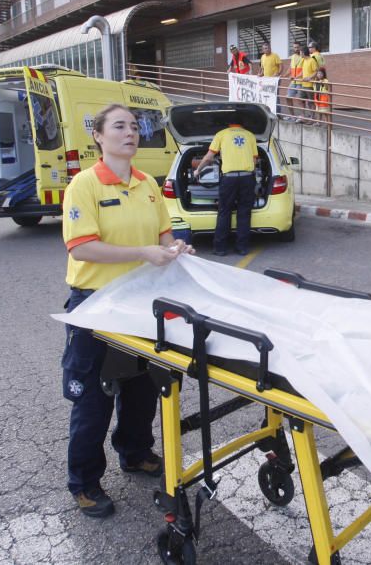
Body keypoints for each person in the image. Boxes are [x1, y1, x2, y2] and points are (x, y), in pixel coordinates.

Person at [61, 103, 193, 518]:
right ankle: (84, 482)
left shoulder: (147, 184)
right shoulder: (84, 185)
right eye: (119, 126)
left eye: (135, 127)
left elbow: (163, 234)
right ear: (98, 136)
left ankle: (134, 452)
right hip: (97, 304)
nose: (130, 133)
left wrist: (174, 250)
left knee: (142, 388)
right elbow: (81, 246)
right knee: (94, 399)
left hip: (141, 302)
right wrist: (142, 252)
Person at [194, 120, 259, 256]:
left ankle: (220, 249)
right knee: (244, 212)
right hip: (247, 178)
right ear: (242, 124)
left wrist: (198, 170)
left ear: (229, 123)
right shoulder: (250, 135)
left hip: (229, 178)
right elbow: (254, 160)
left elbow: (208, 157)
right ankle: (242, 248)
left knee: (224, 212)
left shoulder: (221, 134)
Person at [285, 41, 305, 122]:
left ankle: (303, 116)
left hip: (300, 81)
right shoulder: (293, 56)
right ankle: (292, 116)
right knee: (287, 98)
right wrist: (284, 75)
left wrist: (295, 77)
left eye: (297, 47)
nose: (296, 49)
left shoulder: (303, 56)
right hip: (293, 82)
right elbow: (290, 68)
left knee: (300, 100)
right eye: (294, 47)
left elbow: (304, 70)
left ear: (300, 47)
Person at [298, 45, 319, 123]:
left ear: (303, 53)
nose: (299, 54)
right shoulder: (304, 60)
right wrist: (296, 76)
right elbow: (303, 71)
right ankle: (303, 116)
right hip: (303, 85)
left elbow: (316, 71)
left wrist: (309, 78)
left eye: (300, 52)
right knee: (300, 99)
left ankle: (312, 118)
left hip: (310, 85)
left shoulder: (312, 60)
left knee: (310, 102)